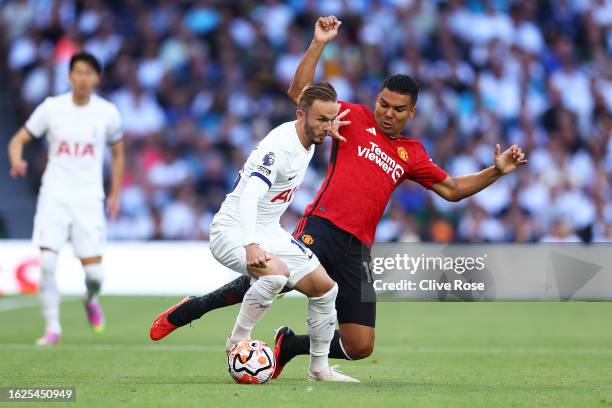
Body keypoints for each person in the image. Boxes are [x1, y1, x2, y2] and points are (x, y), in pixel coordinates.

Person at [150, 16, 527, 379]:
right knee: (276, 279)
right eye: (383, 103)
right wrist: (318, 45)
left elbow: (452, 190)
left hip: (358, 247)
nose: (387, 114)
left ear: (412, 112)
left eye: (398, 109)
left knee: (360, 345)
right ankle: (195, 309)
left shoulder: (412, 153)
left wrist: (495, 171)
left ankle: (289, 347)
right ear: (376, 99)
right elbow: (301, 94)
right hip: (322, 226)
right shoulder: (352, 116)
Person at [152, 81, 357, 382]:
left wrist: (327, 123)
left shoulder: (311, 137)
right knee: (275, 275)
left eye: (330, 119)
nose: (327, 127)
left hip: (268, 229)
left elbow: (316, 108)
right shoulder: (280, 148)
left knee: (326, 289)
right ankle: (237, 343)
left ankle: (319, 369)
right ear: (300, 116)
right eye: (321, 120)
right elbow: (249, 196)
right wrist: (250, 244)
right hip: (233, 230)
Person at [7, 51, 124, 345]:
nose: (83, 78)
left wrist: (115, 193)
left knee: (96, 275)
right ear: (69, 76)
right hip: (54, 196)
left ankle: (90, 298)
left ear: (97, 78)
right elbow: (18, 139)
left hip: (88, 199)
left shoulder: (107, 112)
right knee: (46, 263)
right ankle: (52, 329)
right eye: (78, 72)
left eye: (89, 73)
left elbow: (119, 151)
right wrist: (16, 159)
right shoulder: (51, 108)